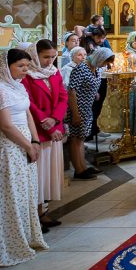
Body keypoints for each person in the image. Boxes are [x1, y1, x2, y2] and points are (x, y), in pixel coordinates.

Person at [0, 50, 49, 268]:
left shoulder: (17, 86)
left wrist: (35, 141)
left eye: (27, 66)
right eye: (20, 66)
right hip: (9, 147)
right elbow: (6, 125)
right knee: (10, 194)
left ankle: (25, 236)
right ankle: (8, 244)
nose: (25, 70)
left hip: (25, 144)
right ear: (5, 67)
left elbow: (27, 114)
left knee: (25, 192)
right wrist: (27, 145)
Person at [21, 41, 67, 232]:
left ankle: (42, 210)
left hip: (54, 128)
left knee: (48, 174)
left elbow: (63, 97)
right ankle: (33, 215)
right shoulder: (26, 75)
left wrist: (55, 119)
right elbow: (28, 103)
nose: (50, 61)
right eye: (45, 57)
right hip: (38, 130)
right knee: (37, 175)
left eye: (53, 57)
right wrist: (47, 124)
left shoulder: (54, 72)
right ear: (34, 55)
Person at [65, 48, 112, 180]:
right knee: (75, 139)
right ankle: (79, 170)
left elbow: (90, 84)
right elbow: (72, 91)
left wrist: (94, 92)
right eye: (104, 62)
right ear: (99, 58)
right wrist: (75, 114)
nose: (104, 65)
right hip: (77, 108)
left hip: (87, 108)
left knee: (81, 139)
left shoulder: (96, 68)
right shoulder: (81, 68)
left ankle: (83, 167)